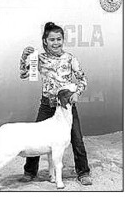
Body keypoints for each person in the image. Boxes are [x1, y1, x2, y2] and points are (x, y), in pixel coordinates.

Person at [19, 22, 93, 186]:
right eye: (52, 39)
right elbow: (24, 74)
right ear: (45, 41)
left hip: (66, 107)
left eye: (59, 39)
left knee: (77, 139)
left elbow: (82, 79)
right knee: (35, 138)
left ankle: (83, 172)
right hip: (47, 105)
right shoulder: (39, 59)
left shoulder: (70, 59)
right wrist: (24, 57)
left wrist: (77, 93)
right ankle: (30, 172)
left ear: (63, 40)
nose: (56, 42)